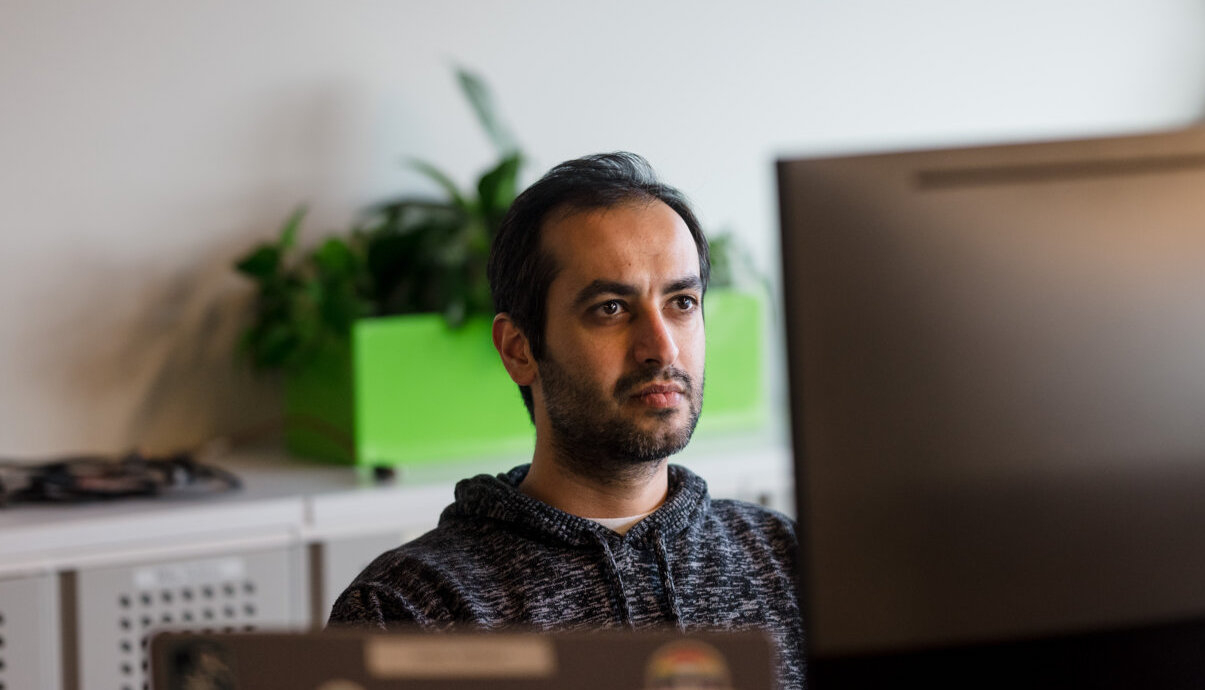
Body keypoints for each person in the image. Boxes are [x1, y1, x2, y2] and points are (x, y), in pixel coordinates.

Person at [328, 152, 802, 688]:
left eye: (682, 302)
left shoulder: (788, 562)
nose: (661, 347)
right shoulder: (409, 611)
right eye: (610, 308)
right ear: (519, 350)